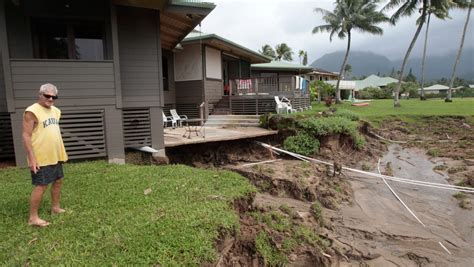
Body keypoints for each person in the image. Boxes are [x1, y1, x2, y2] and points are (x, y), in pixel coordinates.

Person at [22, 83, 68, 227]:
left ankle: (55, 208)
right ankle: (33, 218)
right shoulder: (31, 111)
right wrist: (32, 157)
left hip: (55, 154)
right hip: (40, 156)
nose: (50, 99)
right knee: (41, 185)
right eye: (47, 96)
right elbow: (26, 135)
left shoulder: (56, 111)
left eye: (54, 97)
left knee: (58, 180)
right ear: (40, 95)